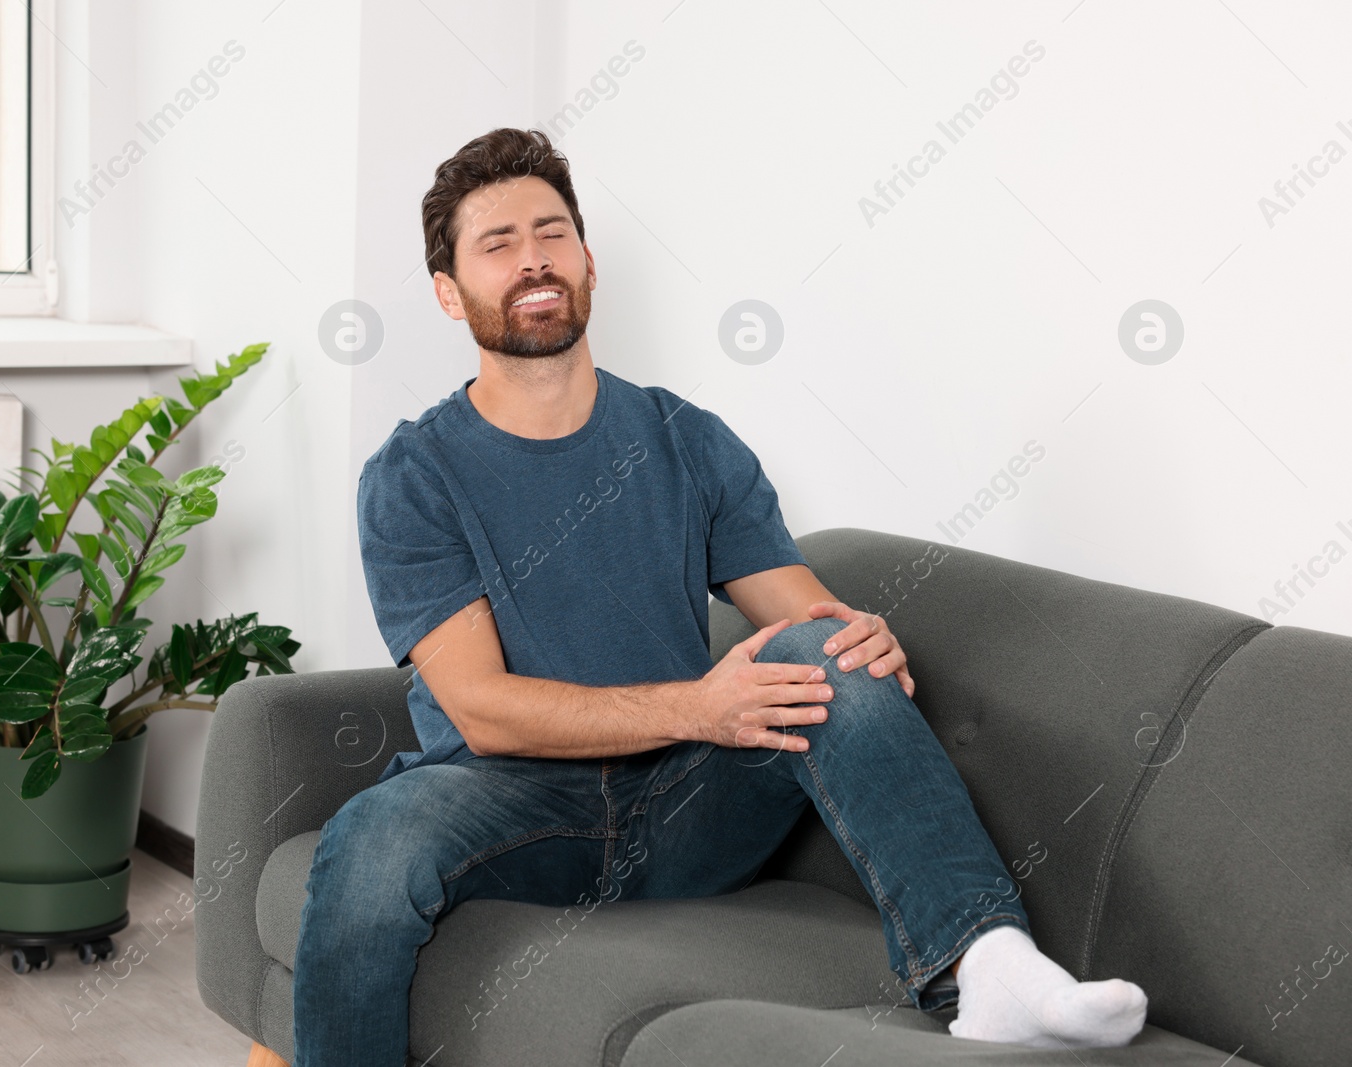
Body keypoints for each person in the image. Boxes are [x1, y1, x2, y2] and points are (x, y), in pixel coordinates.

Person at [292, 127, 1148, 1066]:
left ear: (586, 261)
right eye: (497, 243)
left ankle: (989, 969)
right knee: (370, 838)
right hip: (507, 808)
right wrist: (700, 704)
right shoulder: (414, 473)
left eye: (552, 232)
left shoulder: (686, 439)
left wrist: (858, 644)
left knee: (824, 652)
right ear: (450, 292)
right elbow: (484, 711)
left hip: (687, 803)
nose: (532, 257)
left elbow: (803, 611)